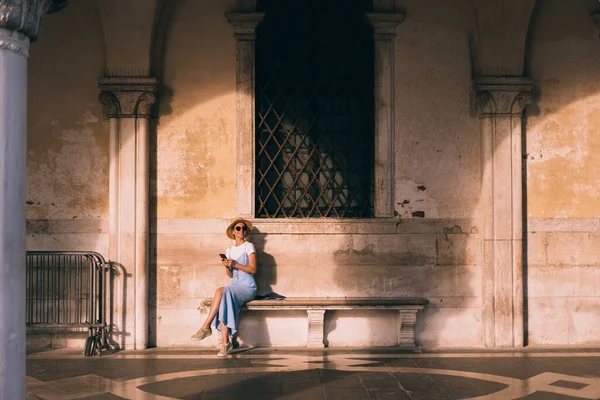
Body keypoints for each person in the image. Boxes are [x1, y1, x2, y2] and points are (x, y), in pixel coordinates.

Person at [191, 217, 257, 357]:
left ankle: (207, 327)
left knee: (222, 292)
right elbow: (231, 275)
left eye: (244, 228)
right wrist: (228, 267)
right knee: (222, 292)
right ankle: (225, 343)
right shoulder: (229, 250)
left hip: (247, 287)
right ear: (233, 232)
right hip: (234, 285)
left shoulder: (249, 246)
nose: (241, 231)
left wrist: (235, 264)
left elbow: (253, 269)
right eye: (238, 228)